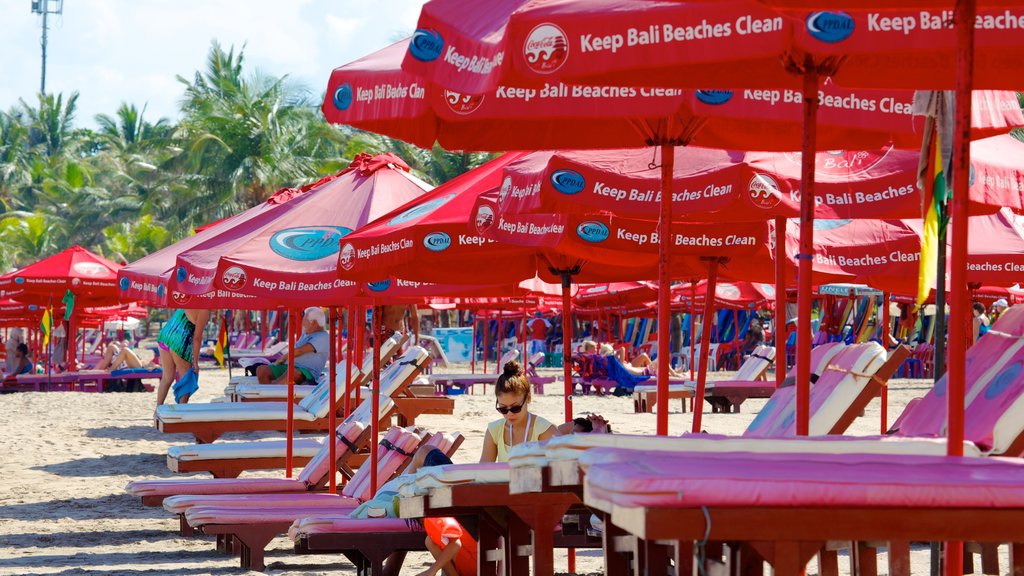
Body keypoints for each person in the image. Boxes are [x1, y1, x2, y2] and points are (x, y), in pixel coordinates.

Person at [481, 361, 557, 463]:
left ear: (528, 398)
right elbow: (484, 472)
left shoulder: (544, 430)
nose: (509, 414)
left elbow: (565, 470)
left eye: (515, 408)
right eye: (503, 409)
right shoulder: (494, 430)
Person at [257, 307, 330, 385]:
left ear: (313, 323)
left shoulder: (323, 337)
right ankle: (271, 393)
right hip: (290, 366)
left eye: (305, 320)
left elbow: (300, 351)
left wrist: (283, 358)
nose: (302, 323)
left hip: (307, 372)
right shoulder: (306, 334)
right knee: (261, 370)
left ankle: (270, 392)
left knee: (292, 373)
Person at [155, 308, 211, 407]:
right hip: (179, 340)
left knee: (167, 378)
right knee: (187, 377)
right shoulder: (204, 311)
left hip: (165, 335)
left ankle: (158, 411)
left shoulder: (189, 300)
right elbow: (197, 338)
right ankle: (181, 410)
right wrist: (196, 362)